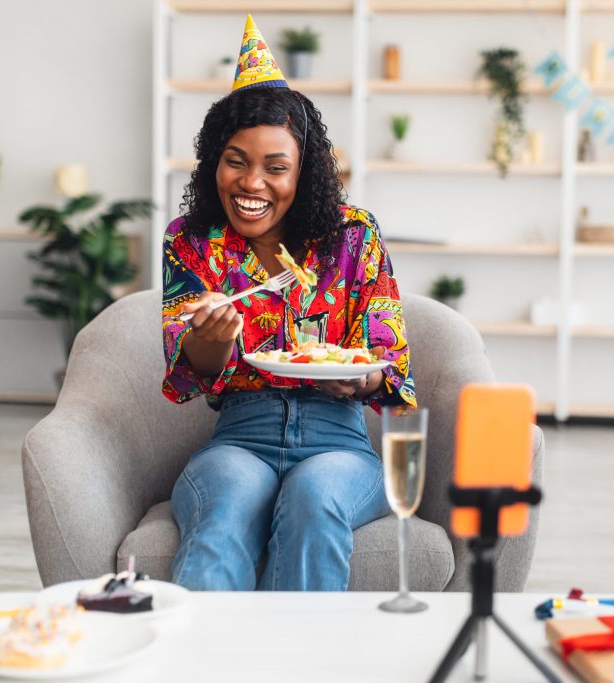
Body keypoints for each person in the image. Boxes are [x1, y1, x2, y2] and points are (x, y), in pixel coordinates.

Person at [161, 16, 416, 592]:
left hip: (339, 442)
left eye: (276, 167)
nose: (252, 183)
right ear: (213, 163)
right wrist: (211, 338)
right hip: (238, 437)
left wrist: (361, 380)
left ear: (303, 173)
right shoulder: (191, 242)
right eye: (235, 160)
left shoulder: (354, 235)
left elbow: (388, 360)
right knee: (224, 506)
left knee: (315, 495)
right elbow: (192, 373)